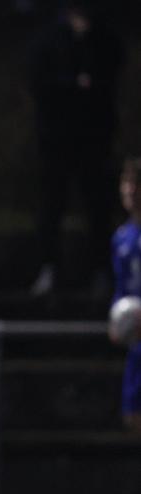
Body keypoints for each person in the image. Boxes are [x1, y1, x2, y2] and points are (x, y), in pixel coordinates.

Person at [28, 0, 124, 296]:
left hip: (93, 137)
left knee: (97, 205)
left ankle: (100, 269)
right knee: (51, 205)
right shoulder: (49, 37)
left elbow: (112, 71)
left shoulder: (103, 37)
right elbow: (38, 80)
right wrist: (71, 85)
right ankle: (49, 267)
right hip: (56, 137)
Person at [109, 157, 141, 434]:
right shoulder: (121, 238)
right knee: (132, 417)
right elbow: (122, 288)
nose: (130, 191)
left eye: (136, 184)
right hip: (136, 340)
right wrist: (116, 317)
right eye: (127, 183)